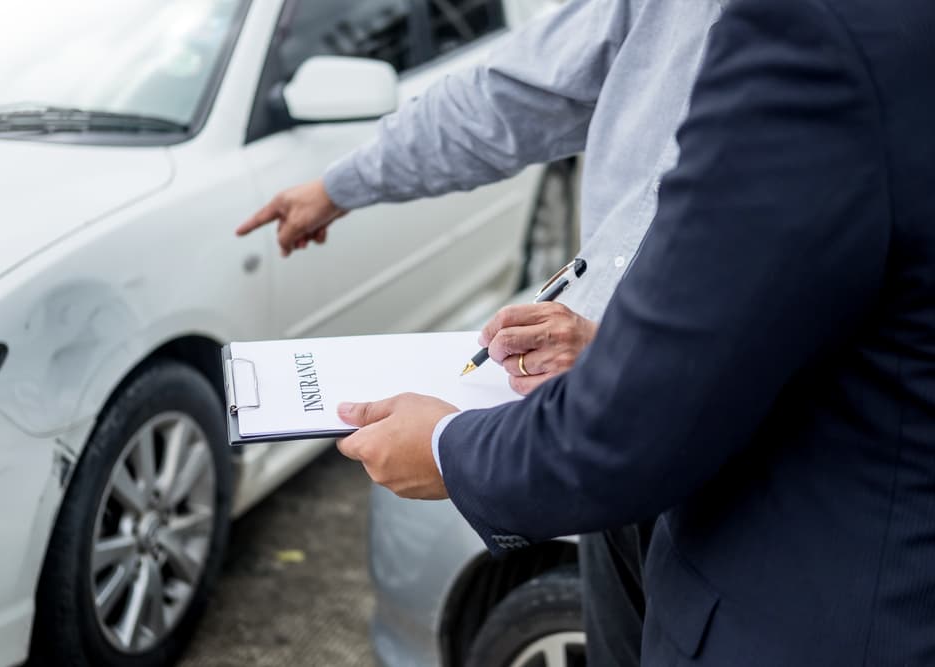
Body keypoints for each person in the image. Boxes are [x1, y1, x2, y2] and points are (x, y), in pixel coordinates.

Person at [334, 0, 935, 663]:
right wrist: (608, 346)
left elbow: (627, 432)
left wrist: (448, 448)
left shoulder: (820, 31)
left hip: (806, 605)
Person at [238, 1, 722, 663]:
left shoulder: (853, 50)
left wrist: (450, 449)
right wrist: (341, 184)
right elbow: (509, 96)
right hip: (618, 466)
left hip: (748, 482)